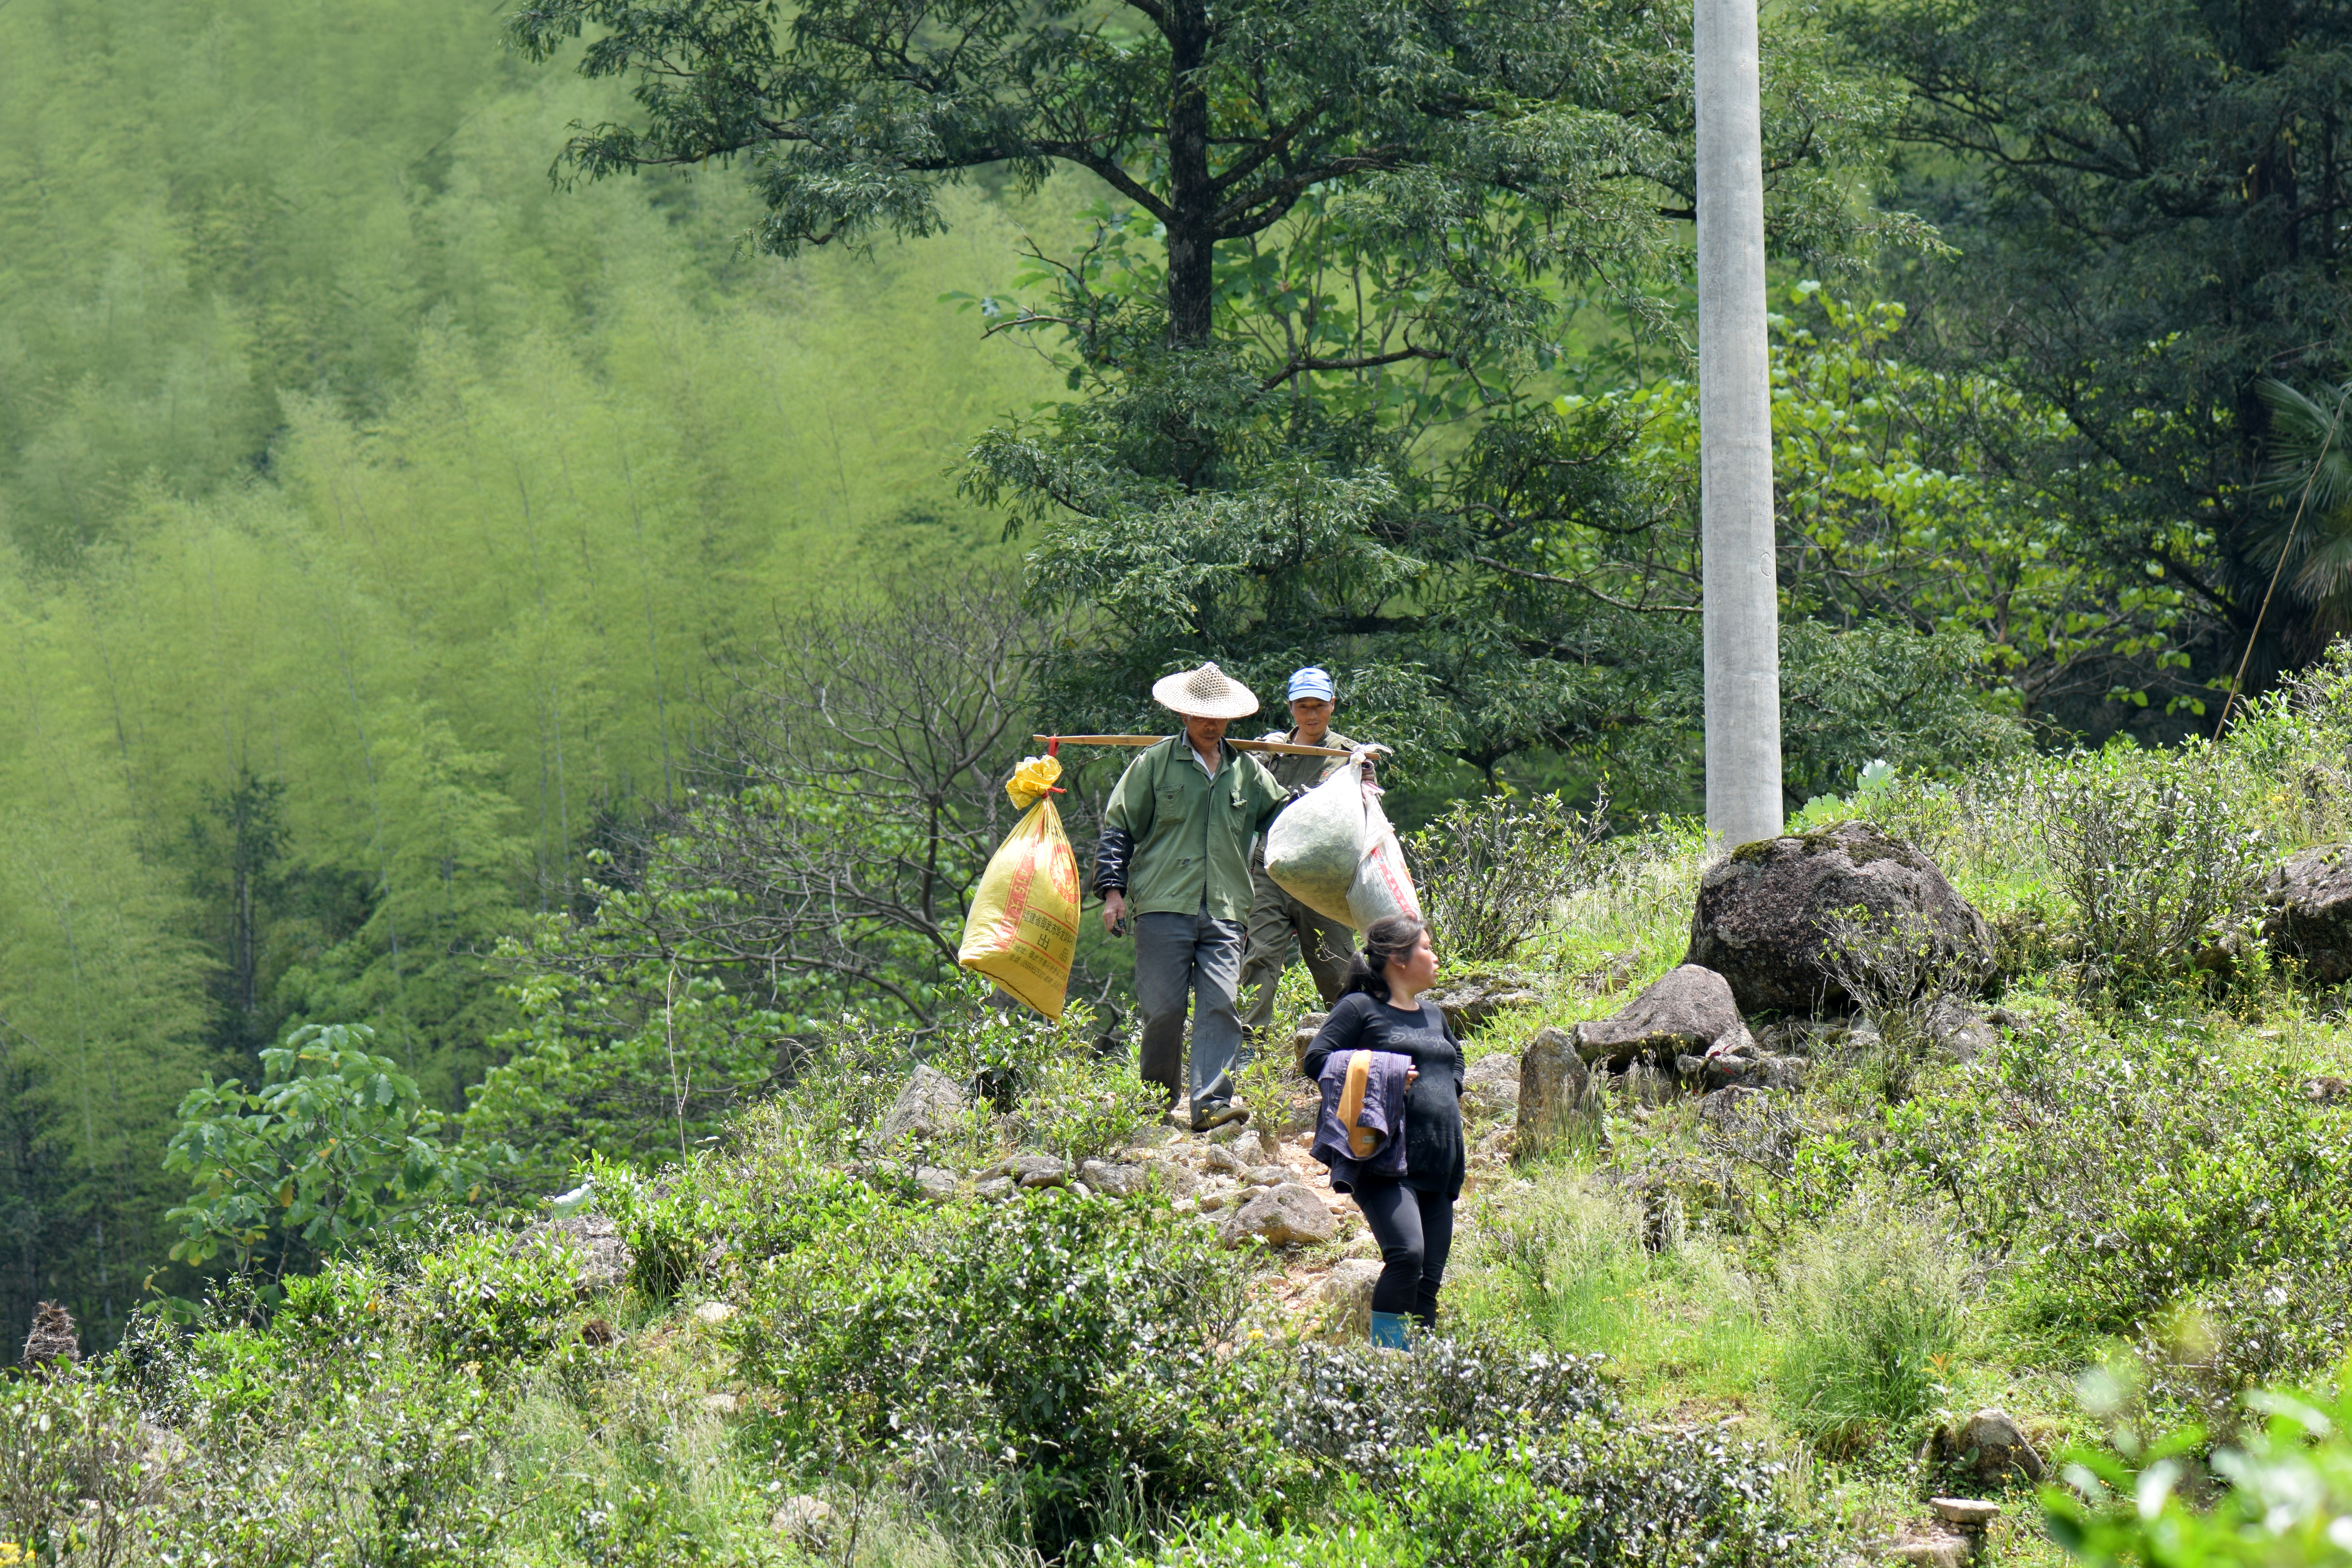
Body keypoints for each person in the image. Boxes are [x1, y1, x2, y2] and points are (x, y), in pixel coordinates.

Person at [1094, 662, 1292, 1131]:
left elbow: (1286, 821)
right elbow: (1119, 830)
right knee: (1163, 1010)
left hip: (1226, 909)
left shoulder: (1247, 772)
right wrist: (1112, 893)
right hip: (1164, 905)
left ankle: (1212, 1104)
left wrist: (1348, 781)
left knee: (1221, 1003)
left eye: (1219, 717)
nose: (1211, 725)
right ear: (1184, 715)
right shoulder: (1154, 764)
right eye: (1202, 715)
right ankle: (1155, 1103)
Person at [1299, 915, 1462, 1348]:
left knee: (1429, 1277)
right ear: (1397, 958)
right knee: (1407, 1255)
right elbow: (1317, 1059)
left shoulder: (1433, 1014)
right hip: (1384, 1158)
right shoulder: (1360, 1009)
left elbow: (1455, 1060)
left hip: (1440, 1161)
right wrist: (1383, 1072)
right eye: (1426, 948)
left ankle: (1419, 1377)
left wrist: (1448, 1091)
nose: (1435, 956)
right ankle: (1387, 1365)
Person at [1238, 666, 1364, 1040]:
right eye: (1303, 706)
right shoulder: (1271, 751)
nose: (1312, 715)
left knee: (1337, 963)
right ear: (1291, 708)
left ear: (1332, 706)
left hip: (1324, 876)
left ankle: (1354, 1039)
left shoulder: (1349, 756)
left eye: (1319, 706)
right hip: (1271, 869)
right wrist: (1256, 758)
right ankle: (1249, 1047)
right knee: (1259, 958)